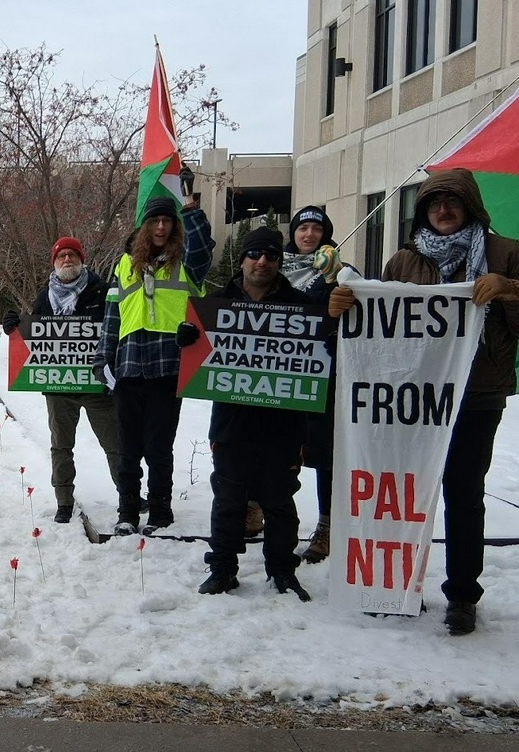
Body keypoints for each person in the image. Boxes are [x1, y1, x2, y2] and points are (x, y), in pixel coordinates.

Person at [330, 168, 519, 635]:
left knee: (463, 493)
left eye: (452, 201)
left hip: (477, 394)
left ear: (470, 207)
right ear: (422, 212)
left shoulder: (505, 253)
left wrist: (510, 290)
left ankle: (462, 596)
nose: (443, 210)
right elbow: (381, 327)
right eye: (434, 203)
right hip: (413, 397)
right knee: (402, 490)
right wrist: (344, 307)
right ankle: (393, 587)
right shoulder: (403, 261)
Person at [183, 227, 312, 600]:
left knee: (280, 501)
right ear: (242, 260)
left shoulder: (302, 306)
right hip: (231, 422)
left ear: (279, 261)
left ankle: (282, 571)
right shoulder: (216, 305)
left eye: (271, 255)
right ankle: (222, 569)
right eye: (255, 254)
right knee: (228, 499)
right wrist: (186, 342)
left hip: (283, 423)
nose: (262, 261)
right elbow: (198, 361)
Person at [93, 192, 214, 536]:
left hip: (168, 366)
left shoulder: (185, 262)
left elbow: (203, 250)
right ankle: (128, 511)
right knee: (128, 450)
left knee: (159, 448)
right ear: (144, 226)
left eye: (167, 221)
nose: (161, 227)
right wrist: (103, 358)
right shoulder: (124, 265)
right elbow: (112, 317)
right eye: (155, 221)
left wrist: (190, 210)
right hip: (129, 367)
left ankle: (160, 511)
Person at [2, 236, 119, 523]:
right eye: (61, 256)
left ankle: (128, 494)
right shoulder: (45, 296)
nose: (67, 259)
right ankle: (64, 501)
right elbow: (36, 334)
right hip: (58, 387)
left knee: (116, 445)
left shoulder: (103, 291)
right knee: (61, 447)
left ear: (81, 260)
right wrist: (15, 325)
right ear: (54, 262)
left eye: (72, 255)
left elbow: (118, 327)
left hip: (96, 386)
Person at [278, 206, 342, 559]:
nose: (309, 234)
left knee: (324, 454)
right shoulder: (275, 267)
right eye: (303, 228)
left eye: (317, 228)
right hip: (278, 377)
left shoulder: (338, 271)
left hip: (322, 377)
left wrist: (336, 281)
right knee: (274, 450)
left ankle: (327, 526)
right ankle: (262, 511)